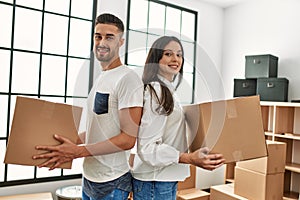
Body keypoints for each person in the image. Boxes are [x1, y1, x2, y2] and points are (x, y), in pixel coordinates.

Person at [33, 13, 144, 200]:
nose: (102, 42)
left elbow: (128, 139)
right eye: (98, 36)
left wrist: (78, 151)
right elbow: (99, 128)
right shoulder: (102, 77)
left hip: (113, 182)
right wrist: (64, 144)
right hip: (89, 178)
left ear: (121, 42)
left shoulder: (128, 79)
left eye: (110, 37)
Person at [131, 36, 225, 200]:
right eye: (168, 54)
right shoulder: (157, 91)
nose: (175, 59)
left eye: (179, 54)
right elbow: (147, 147)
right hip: (155, 181)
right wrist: (189, 158)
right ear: (156, 58)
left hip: (161, 179)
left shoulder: (167, 90)